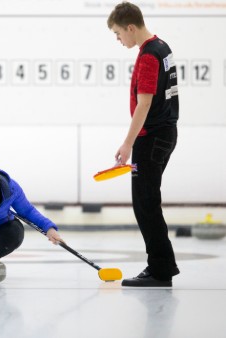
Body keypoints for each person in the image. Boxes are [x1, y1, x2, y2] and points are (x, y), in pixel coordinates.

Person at [107, 2, 180, 287]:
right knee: (147, 202)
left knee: (145, 203)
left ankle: (160, 270)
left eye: (117, 34)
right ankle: (162, 266)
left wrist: (128, 143)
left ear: (130, 27)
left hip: (152, 137)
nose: (118, 39)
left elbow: (145, 103)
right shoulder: (162, 47)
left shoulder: (149, 55)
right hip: (163, 134)